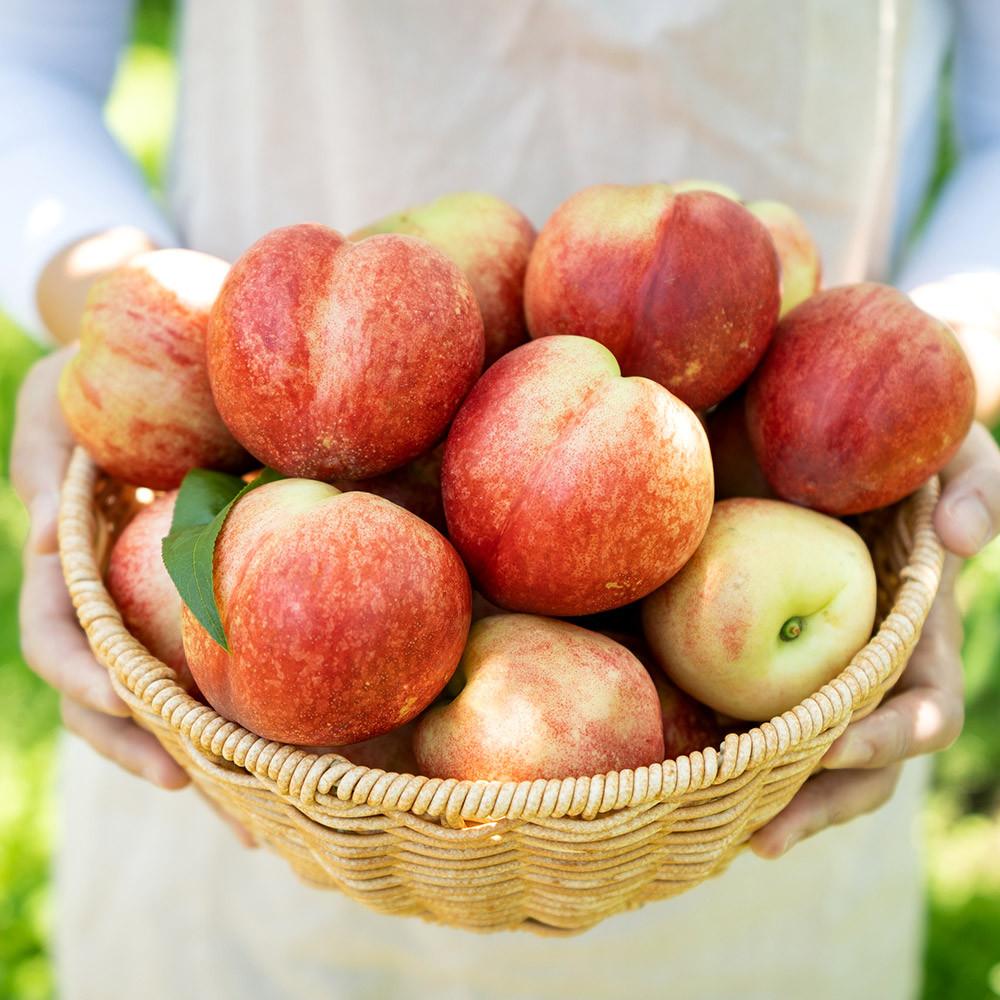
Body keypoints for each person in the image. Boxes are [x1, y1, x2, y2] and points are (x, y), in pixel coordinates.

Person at [4, 1, 1000, 997]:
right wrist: (99, 296)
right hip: (259, 722)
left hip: (736, 751)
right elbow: (25, 62)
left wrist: (919, 384)